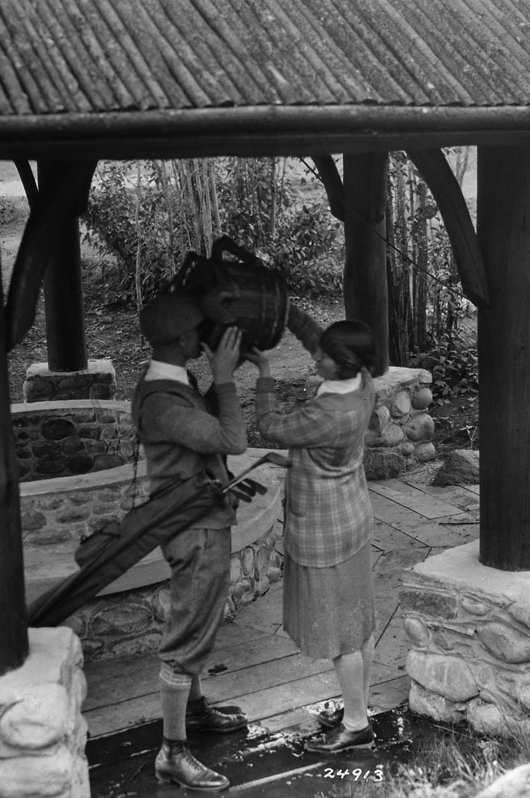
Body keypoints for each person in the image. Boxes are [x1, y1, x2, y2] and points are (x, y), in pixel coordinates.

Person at [245, 305, 378, 754]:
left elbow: (269, 427)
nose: (314, 357)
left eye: (323, 356)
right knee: (359, 626)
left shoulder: (328, 414)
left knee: (342, 637)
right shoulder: (362, 382)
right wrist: (285, 310)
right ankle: (359, 708)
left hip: (325, 531)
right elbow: (319, 339)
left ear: (343, 362)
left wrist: (264, 371)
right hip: (352, 515)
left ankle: (356, 726)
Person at [134, 290, 249, 792]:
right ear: (183, 340)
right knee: (187, 635)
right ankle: (172, 752)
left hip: (200, 517)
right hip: (194, 526)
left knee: (199, 619)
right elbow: (232, 440)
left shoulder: (174, 382)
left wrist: (228, 370)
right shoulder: (163, 401)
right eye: (199, 331)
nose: (205, 338)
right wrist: (225, 378)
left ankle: (195, 710)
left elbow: (212, 429)